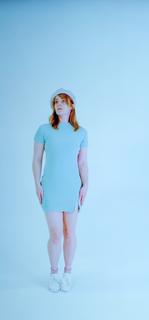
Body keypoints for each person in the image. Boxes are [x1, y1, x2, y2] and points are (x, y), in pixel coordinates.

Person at [32, 89, 88, 292]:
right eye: (56, 101)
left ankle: (68, 273)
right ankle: (54, 273)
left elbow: (82, 163)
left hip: (72, 188)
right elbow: (37, 160)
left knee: (70, 232)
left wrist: (86, 185)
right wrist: (37, 183)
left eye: (63, 101)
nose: (59, 104)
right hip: (51, 187)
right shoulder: (44, 130)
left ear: (72, 105)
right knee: (55, 234)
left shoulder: (80, 132)